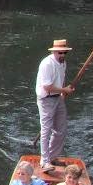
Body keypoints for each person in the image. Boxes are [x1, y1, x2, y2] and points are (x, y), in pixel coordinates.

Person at [35, 38, 76, 174]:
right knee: (46, 130)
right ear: (54, 52)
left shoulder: (63, 63)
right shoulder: (47, 64)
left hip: (57, 97)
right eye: (60, 53)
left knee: (61, 130)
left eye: (64, 53)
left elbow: (61, 80)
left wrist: (63, 92)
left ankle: (52, 157)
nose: (62, 55)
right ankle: (44, 161)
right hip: (46, 99)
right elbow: (47, 87)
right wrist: (64, 90)